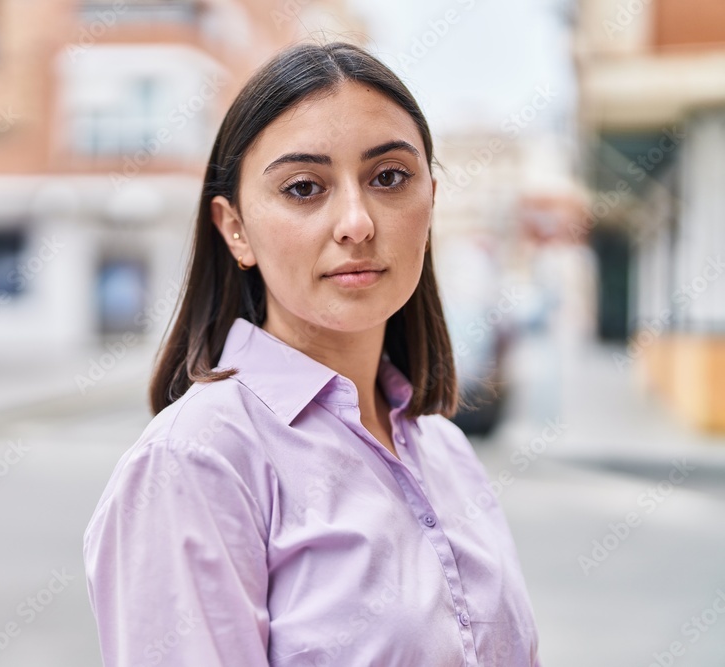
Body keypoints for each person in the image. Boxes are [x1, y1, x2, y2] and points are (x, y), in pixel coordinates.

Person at [84, 41, 542, 666]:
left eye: (389, 178)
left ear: (430, 200)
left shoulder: (445, 448)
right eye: (304, 187)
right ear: (234, 228)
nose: (356, 222)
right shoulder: (197, 463)